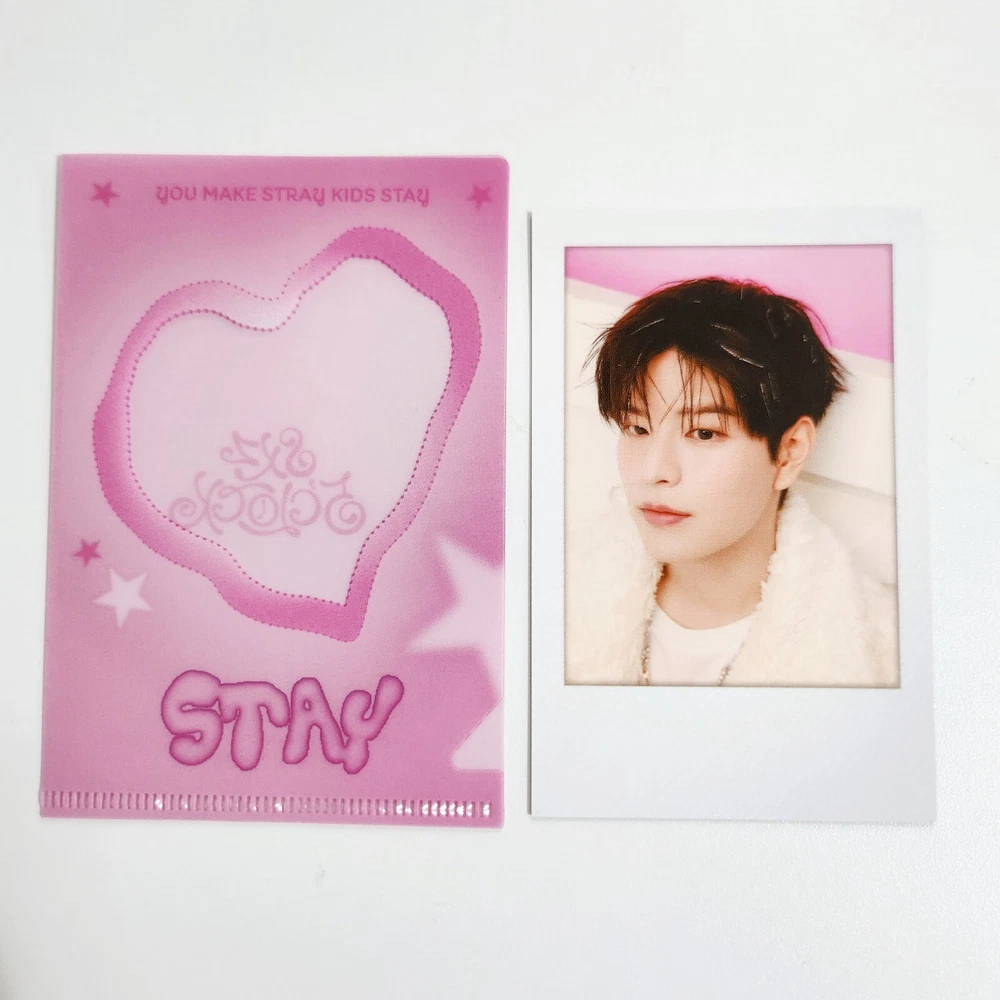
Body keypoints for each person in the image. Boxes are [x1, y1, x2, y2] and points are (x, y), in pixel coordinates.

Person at [565, 277, 898, 687]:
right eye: (637, 427)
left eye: (704, 433)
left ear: (789, 452)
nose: (654, 471)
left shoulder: (879, 657)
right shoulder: (554, 596)